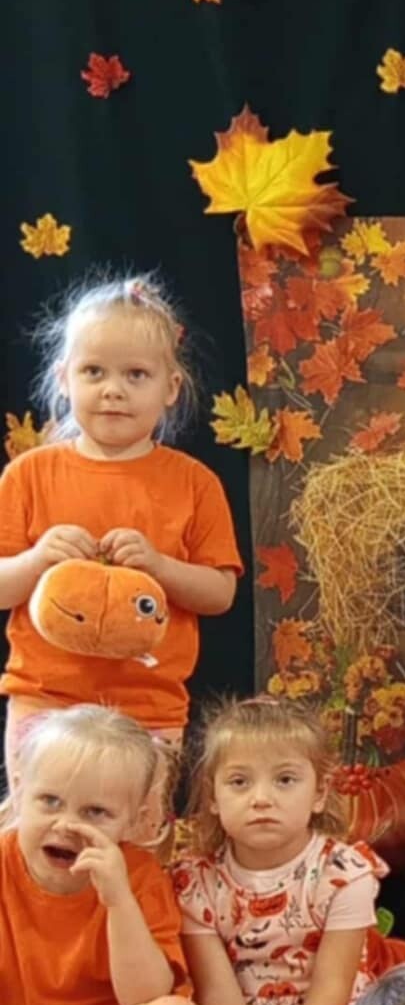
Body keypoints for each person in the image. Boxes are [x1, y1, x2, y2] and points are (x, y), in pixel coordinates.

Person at [77, 695, 385, 1005]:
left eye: (284, 780)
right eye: (240, 782)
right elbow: (217, 988)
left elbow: (333, 990)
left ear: (320, 793)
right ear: (214, 798)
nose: (261, 798)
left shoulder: (343, 874)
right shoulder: (197, 882)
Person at [0, 274, 241, 789]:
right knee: (40, 829)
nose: (113, 390)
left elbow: (220, 593)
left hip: (148, 708)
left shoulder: (194, 483)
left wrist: (158, 565)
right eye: (94, 371)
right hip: (44, 701)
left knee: (137, 829)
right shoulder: (27, 475)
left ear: (170, 388)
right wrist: (38, 559)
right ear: (64, 378)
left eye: (136, 374)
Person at [0, 706, 200, 1005]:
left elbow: (145, 998)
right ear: (20, 790)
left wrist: (118, 901)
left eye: (95, 812)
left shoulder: (140, 876)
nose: (67, 825)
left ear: (132, 821)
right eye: (50, 801)